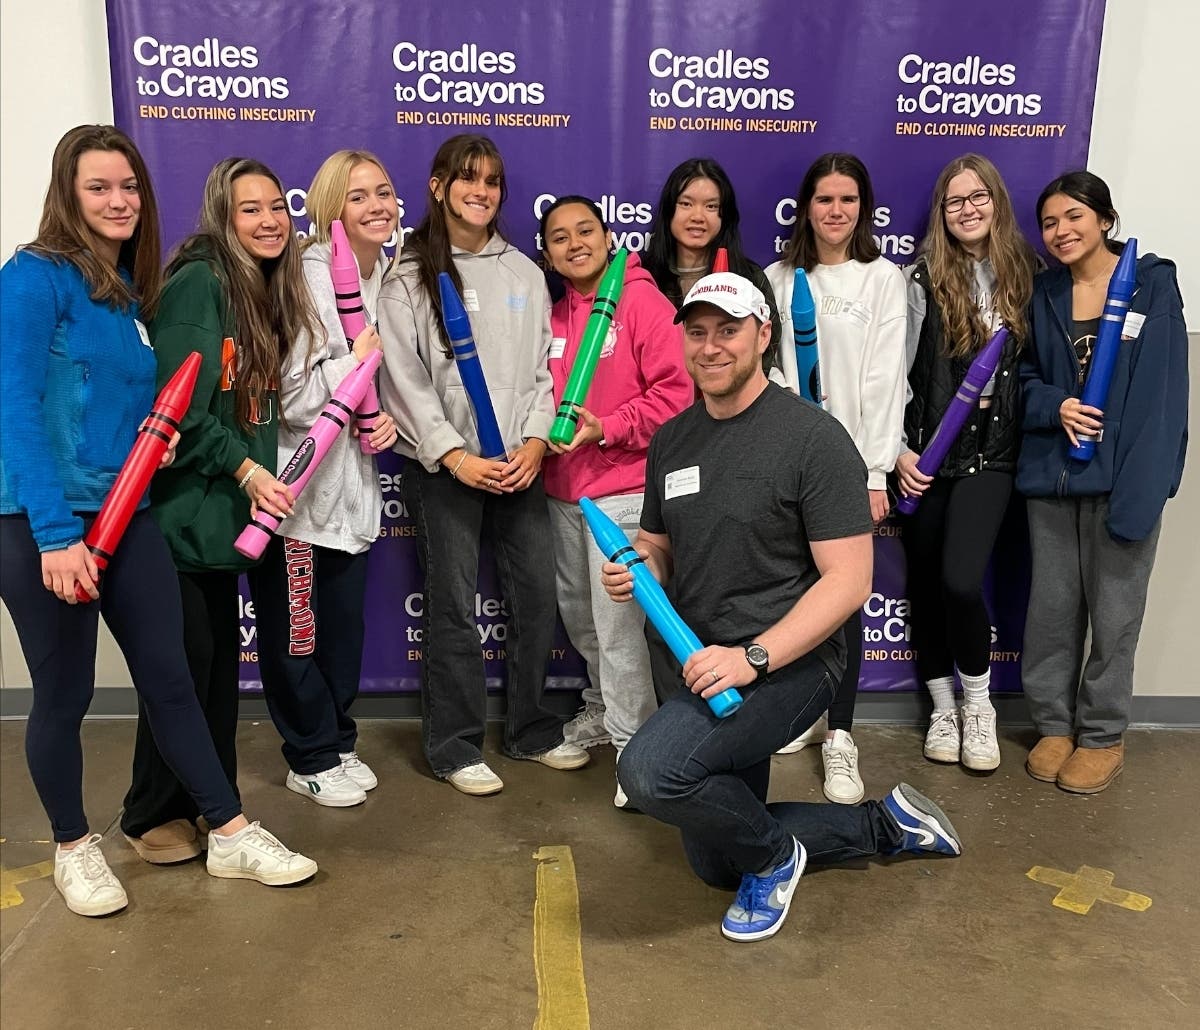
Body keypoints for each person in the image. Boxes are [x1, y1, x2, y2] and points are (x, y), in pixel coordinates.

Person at [0, 126, 315, 917]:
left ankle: (229, 831)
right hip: (43, 520)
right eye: (99, 187)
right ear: (67, 194)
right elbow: (15, 411)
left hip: (128, 511)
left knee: (172, 679)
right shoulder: (33, 277)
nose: (119, 201)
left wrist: (159, 443)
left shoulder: (123, 292)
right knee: (64, 693)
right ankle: (73, 846)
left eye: (129, 187)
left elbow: (129, 405)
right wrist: (54, 536)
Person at [603, 272, 962, 943]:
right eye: (697, 332)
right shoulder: (673, 440)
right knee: (716, 862)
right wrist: (639, 567)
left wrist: (753, 657)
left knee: (650, 772)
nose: (711, 347)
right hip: (698, 664)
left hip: (787, 666)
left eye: (728, 330)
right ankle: (886, 825)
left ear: (764, 335)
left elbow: (849, 582)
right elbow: (659, 546)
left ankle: (775, 859)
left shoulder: (813, 439)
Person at [121, 157, 323, 855]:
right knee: (182, 670)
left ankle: (213, 802)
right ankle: (152, 814)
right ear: (222, 217)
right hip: (178, 514)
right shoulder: (200, 283)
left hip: (218, 522)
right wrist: (245, 469)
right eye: (250, 209)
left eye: (276, 207)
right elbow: (176, 404)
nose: (269, 221)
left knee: (210, 670)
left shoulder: (257, 288)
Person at [377, 134, 589, 796]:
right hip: (447, 469)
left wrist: (534, 443)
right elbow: (402, 379)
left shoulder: (524, 272)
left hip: (519, 465)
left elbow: (542, 374)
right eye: (468, 178)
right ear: (439, 186)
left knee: (535, 596)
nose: (481, 192)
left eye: (492, 181)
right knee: (452, 605)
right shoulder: (408, 275)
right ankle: (454, 746)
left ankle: (530, 730)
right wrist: (453, 455)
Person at [1018, 170, 1187, 794]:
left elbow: (1162, 394)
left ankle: (1102, 735)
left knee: (1115, 617)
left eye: (1074, 216)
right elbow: (1024, 378)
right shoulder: (1043, 292)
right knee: (1051, 612)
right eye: (1049, 222)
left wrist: (1145, 488)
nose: (1061, 231)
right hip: (1055, 478)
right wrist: (1055, 406)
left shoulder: (1152, 283)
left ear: (1105, 219)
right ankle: (1053, 726)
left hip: (1122, 480)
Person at [245, 150, 400, 808]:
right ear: (332, 208)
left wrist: (384, 420)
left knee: (341, 634)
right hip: (299, 495)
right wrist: (353, 367)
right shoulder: (307, 277)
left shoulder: (383, 272)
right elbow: (290, 395)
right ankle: (308, 756)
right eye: (357, 196)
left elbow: (378, 383)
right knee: (297, 635)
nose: (376, 206)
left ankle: (335, 740)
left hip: (351, 493)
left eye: (383, 192)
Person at [539, 195, 693, 807]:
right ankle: (604, 712)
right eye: (559, 237)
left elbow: (678, 394)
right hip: (560, 491)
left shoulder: (642, 303)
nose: (574, 244)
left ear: (608, 238)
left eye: (585, 231)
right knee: (582, 620)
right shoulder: (552, 314)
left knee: (621, 632)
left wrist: (609, 427)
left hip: (624, 490)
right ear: (547, 253)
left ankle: (636, 753)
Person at [765, 153, 907, 802]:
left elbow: (885, 382)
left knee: (844, 597)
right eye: (824, 198)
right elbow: (766, 371)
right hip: (785, 460)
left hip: (849, 468)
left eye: (848, 199)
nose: (836, 210)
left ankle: (841, 734)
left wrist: (874, 471)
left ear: (863, 208)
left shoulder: (882, 279)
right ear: (806, 206)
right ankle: (798, 714)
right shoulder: (776, 279)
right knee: (792, 590)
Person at [895, 154, 1038, 771]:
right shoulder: (920, 279)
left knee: (959, 580)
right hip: (925, 459)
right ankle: (942, 708)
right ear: (942, 213)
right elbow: (896, 372)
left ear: (997, 202)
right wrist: (898, 449)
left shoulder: (1030, 277)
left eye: (978, 196)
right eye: (955, 201)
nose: (967, 209)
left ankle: (979, 704)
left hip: (992, 459)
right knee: (926, 585)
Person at [642, 157, 780, 375]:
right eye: (686, 204)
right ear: (668, 211)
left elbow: (765, 353)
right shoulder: (643, 279)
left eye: (711, 206)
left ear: (725, 216)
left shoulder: (749, 277)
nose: (698, 216)